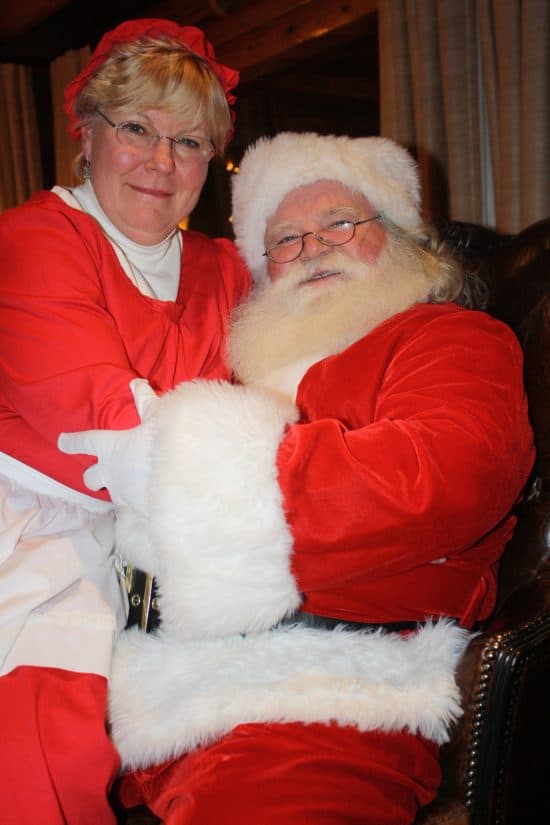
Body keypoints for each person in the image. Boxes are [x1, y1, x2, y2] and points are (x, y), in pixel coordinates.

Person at [60, 132, 535, 825]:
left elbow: (440, 476)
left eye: (339, 223)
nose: (312, 247)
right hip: (154, 700)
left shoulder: (446, 338)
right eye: (285, 239)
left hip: (328, 695)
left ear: (400, 237)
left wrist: (197, 464)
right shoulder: (236, 375)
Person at [0, 18, 249, 825]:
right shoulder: (36, 238)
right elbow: (98, 430)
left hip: (166, 553)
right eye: (137, 128)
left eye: (191, 142)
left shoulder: (225, 266)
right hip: (36, 534)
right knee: (43, 756)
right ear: (88, 132)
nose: (162, 162)